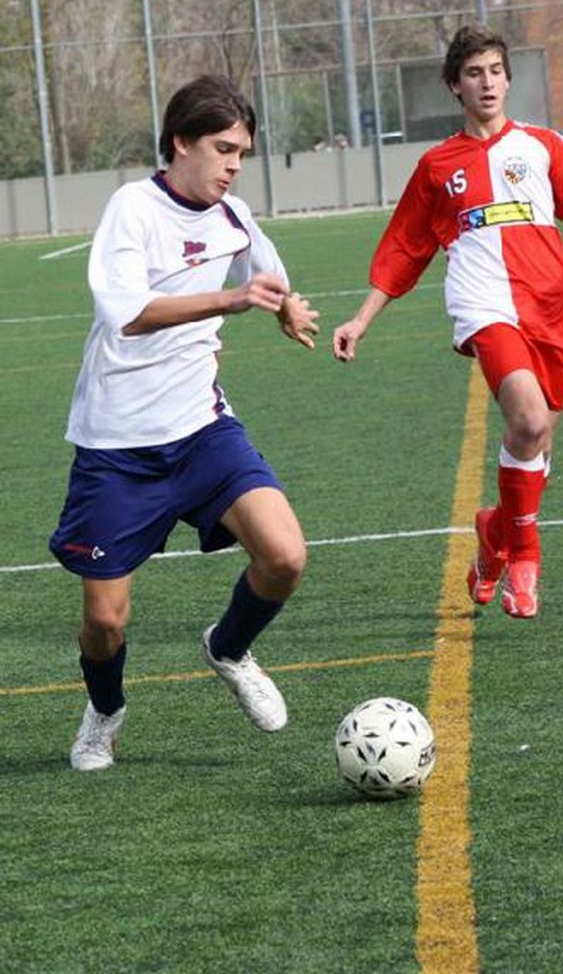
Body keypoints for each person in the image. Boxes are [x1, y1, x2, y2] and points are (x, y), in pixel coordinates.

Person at [50, 74, 319, 771]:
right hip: (117, 445)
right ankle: (105, 712)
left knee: (285, 557)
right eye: (223, 149)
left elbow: (269, 274)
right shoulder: (133, 208)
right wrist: (232, 301)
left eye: (242, 153)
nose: (234, 166)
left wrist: (287, 307)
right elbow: (128, 314)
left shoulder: (234, 216)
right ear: (181, 143)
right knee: (104, 621)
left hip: (201, 430)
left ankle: (227, 647)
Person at [332, 24, 563, 620]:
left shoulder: (543, 145)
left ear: (507, 80)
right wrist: (361, 319)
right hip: (484, 303)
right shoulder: (437, 166)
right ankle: (525, 557)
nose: (487, 82)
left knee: (536, 447)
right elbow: (405, 248)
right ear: (455, 86)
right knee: (527, 419)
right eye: (474, 73)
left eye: (495, 71)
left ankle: (494, 536)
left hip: (551, 304)